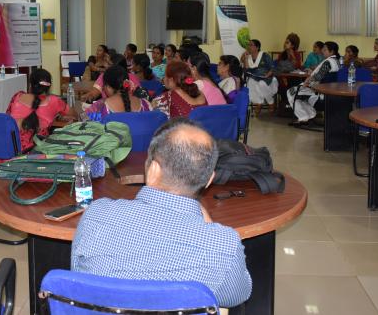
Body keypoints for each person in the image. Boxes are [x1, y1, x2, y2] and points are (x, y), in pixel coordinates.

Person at [71, 118, 252, 307]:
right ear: (209, 180)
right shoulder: (224, 244)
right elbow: (236, 297)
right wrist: (208, 224)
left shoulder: (96, 216)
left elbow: (78, 280)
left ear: (153, 170)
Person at [6, 68, 74, 157]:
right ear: (49, 86)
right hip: (34, 156)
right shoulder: (54, 101)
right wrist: (57, 115)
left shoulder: (17, 96)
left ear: (30, 84)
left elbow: (7, 119)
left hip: (5, 152)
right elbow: (74, 114)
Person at [286, 41, 342, 125]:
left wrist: (307, 82)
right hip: (329, 92)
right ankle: (310, 114)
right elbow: (322, 75)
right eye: (323, 49)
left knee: (291, 92)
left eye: (325, 50)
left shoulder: (328, 62)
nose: (323, 51)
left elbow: (318, 77)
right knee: (298, 94)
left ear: (332, 51)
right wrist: (311, 74)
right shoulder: (337, 61)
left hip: (318, 93)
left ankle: (304, 117)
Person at [85, 66, 152, 117]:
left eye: (103, 87)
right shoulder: (146, 104)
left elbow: (83, 123)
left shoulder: (100, 107)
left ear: (108, 87)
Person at [242, 39, 277, 114]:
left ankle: (270, 102)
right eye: (248, 45)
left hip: (266, 77)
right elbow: (246, 70)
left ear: (257, 47)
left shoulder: (264, 55)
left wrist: (268, 74)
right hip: (254, 77)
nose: (249, 47)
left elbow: (272, 67)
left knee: (261, 84)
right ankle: (259, 102)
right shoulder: (248, 57)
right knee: (250, 82)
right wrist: (245, 59)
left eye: (251, 45)